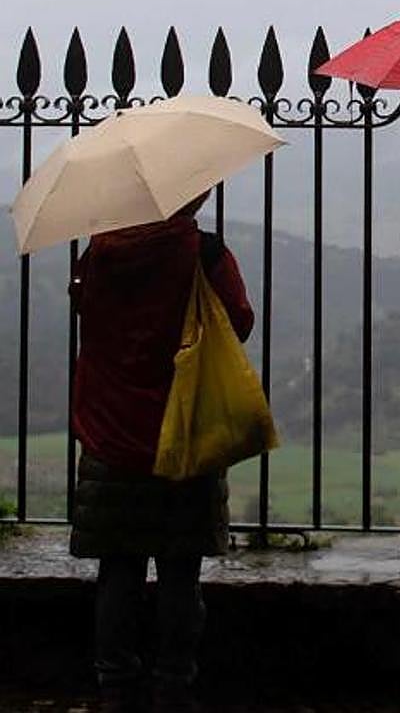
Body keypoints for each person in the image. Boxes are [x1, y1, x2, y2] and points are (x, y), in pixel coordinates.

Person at [69, 190, 254, 713]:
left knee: (118, 569)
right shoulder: (205, 254)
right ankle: (173, 685)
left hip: (110, 433)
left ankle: (114, 687)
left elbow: (84, 308)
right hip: (184, 431)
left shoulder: (101, 252)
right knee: (179, 570)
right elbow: (237, 321)